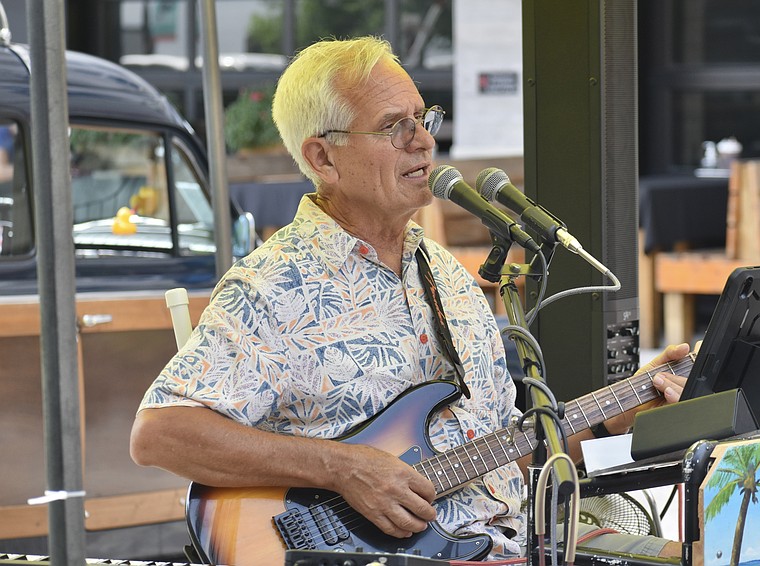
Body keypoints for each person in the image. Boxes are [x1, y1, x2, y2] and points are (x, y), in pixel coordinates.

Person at [130, 36, 689, 562]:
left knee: (701, 553)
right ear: (324, 158)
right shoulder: (273, 286)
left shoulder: (447, 276)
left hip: (514, 538)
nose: (424, 140)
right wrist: (342, 467)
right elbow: (160, 434)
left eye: (423, 118)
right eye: (393, 127)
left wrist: (619, 416)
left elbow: (507, 454)